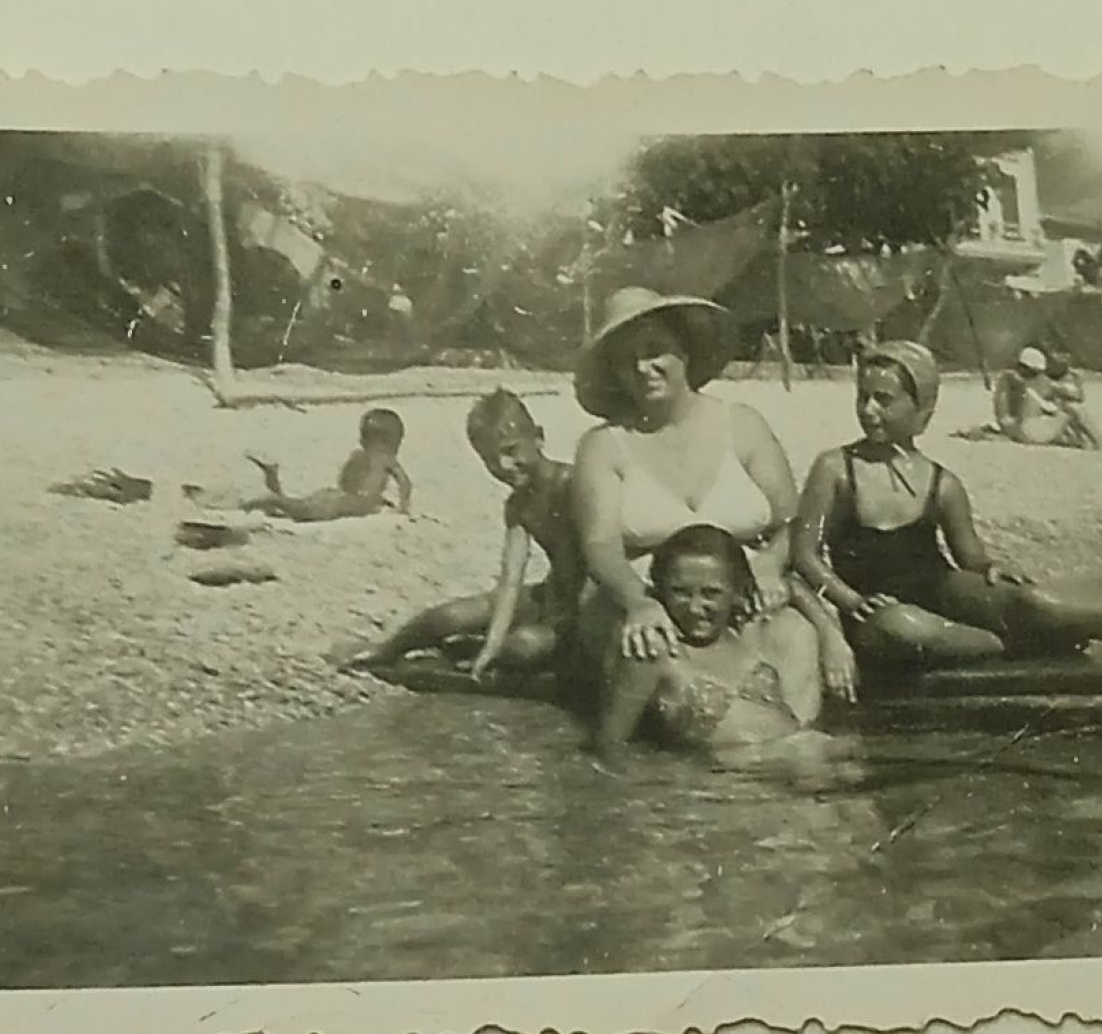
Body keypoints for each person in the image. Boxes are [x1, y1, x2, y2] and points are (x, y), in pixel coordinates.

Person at [792, 340, 1102, 669]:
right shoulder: (835, 469)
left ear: (921, 409)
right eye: (863, 398)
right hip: (877, 614)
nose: (869, 410)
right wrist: (850, 601)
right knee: (901, 627)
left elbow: (968, 556)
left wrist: (992, 569)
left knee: (1037, 600)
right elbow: (805, 554)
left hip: (942, 592)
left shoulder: (941, 483)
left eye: (883, 400)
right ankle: (1015, 647)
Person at [569, 286, 856, 704]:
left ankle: (796, 755)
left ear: (684, 352)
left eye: (655, 351)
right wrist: (639, 602)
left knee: (797, 636)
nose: (643, 367)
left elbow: (792, 521)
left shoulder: (741, 425)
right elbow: (600, 546)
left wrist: (770, 567)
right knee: (658, 651)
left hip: (739, 592)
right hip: (640, 596)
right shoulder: (604, 444)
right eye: (626, 360)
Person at [337, 390, 584, 677]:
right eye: (491, 461)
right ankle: (386, 650)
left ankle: (477, 649)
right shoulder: (519, 504)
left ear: (539, 438)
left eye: (511, 450)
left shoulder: (575, 484)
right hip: (552, 595)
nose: (504, 466)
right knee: (449, 617)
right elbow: (510, 579)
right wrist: (492, 645)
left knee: (523, 647)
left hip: (591, 604)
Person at [595, 524, 860, 791]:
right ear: (660, 589)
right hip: (740, 783)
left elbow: (791, 587)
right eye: (680, 592)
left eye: (711, 593)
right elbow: (610, 745)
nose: (695, 608)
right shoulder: (653, 649)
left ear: (736, 591)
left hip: (811, 755)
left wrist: (830, 636)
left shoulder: (744, 632)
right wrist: (674, 786)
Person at [187, 407, 413, 522]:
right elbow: (404, 482)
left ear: (363, 438)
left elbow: (346, 478)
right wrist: (403, 506)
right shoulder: (387, 459)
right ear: (394, 441)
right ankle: (269, 496)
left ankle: (272, 479)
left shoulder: (357, 455)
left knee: (295, 506)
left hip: (335, 494)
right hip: (352, 503)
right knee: (300, 511)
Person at [993, 346, 1102, 450]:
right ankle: (1101, 442)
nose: (1038, 375)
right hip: (1028, 431)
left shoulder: (1009, 381)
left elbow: (1003, 416)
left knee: (1065, 411)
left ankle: (1087, 439)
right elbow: (1076, 395)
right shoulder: (1015, 381)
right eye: (1036, 372)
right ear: (1026, 368)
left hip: (1025, 430)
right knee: (1073, 409)